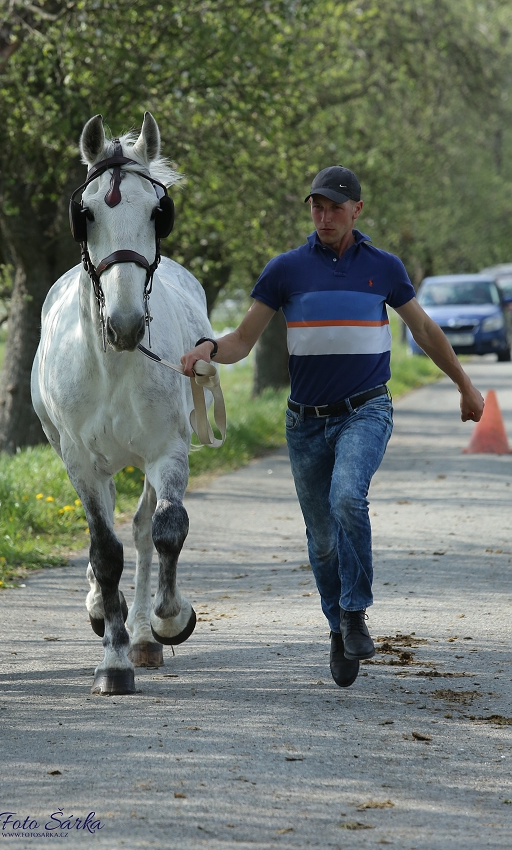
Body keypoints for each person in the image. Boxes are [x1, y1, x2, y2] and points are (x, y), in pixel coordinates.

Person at [181, 166, 485, 688]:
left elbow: (425, 329)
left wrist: (464, 384)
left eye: (334, 208)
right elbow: (243, 340)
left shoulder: (384, 268)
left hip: (366, 409)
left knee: (348, 497)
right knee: (321, 541)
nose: (324, 217)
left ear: (357, 211)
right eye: (316, 207)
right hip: (305, 424)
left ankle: (356, 609)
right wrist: (209, 349)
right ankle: (337, 626)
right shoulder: (285, 271)